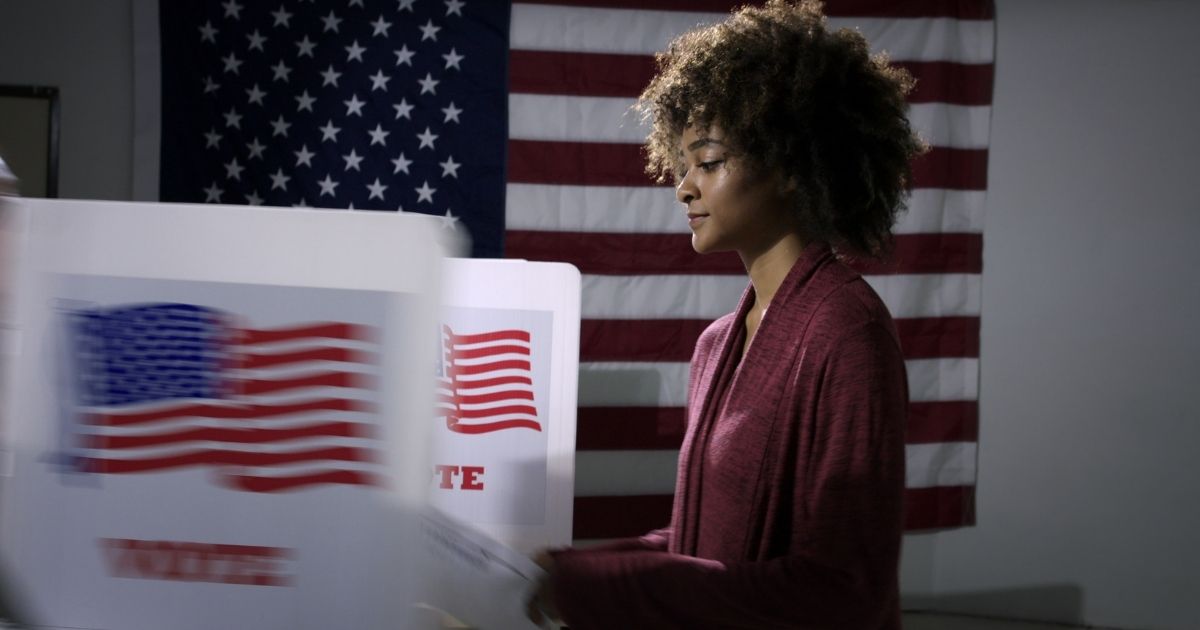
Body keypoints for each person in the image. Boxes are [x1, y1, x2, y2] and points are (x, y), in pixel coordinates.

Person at [526, 1, 926, 628]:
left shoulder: (849, 333)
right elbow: (698, 547)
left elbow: (845, 590)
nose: (683, 186)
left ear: (792, 166)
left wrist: (589, 587)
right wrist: (563, 571)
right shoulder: (716, 345)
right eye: (682, 164)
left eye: (708, 162)